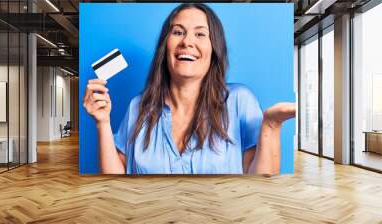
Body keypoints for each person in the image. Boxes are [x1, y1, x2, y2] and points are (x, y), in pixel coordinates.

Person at [83, 3, 295, 175]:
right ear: (165, 46)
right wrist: (102, 123)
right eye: (178, 32)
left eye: (201, 34)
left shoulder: (240, 100)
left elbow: (257, 183)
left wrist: (271, 126)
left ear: (214, 49)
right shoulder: (138, 106)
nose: (187, 41)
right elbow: (115, 181)